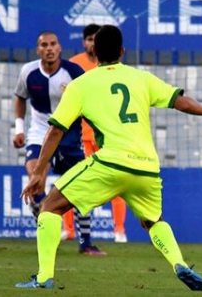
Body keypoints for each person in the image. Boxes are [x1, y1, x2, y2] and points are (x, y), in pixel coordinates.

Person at [15, 25, 202, 290]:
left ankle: (43, 278)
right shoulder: (142, 78)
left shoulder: (81, 84)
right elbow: (180, 101)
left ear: (93, 52)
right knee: (153, 221)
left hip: (110, 163)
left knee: (50, 206)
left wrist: (39, 172)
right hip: (147, 168)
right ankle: (179, 264)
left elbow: (55, 130)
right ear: (122, 51)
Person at [12, 30, 106, 256]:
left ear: (60, 47)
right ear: (38, 50)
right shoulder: (28, 72)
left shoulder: (73, 72)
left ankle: (86, 243)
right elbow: (20, 99)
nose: (49, 48)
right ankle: (48, 228)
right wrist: (18, 129)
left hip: (69, 135)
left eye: (53, 44)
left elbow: (90, 102)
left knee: (81, 190)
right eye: (44, 45)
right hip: (39, 133)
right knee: (35, 184)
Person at [70, 24, 128, 243]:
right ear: (84, 41)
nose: (92, 44)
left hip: (108, 136)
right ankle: (70, 230)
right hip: (82, 136)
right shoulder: (75, 64)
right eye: (89, 39)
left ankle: (119, 230)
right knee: (76, 182)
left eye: (96, 39)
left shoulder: (115, 67)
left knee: (116, 184)